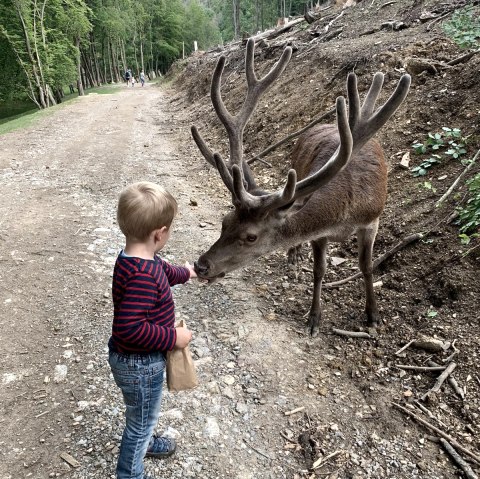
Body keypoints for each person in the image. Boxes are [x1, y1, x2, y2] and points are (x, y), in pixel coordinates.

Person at [109, 181, 197, 479]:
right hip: (140, 364)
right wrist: (174, 338)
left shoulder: (135, 259)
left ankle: (145, 439)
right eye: (169, 229)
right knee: (140, 423)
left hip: (133, 363)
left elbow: (165, 271)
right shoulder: (143, 276)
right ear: (159, 234)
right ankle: (130, 472)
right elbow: (129, 329)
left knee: (143, 411)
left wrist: (188, 273)